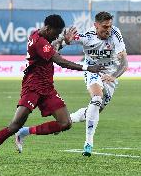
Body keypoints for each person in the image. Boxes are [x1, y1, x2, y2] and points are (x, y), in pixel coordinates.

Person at [0, 14, 104, 166]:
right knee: (14, 125)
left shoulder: (39, 35)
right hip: (33, 88)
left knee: (65, 123)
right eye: (56, 33)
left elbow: (51, 48)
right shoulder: (38, 41)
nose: (56, 36)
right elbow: (59, 60)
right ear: (48, 29)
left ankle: (26, 132)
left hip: (47, 88)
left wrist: (63, 41)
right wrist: (88, 68)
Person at [18, 11, 128, 157]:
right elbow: (56, 47)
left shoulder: (115, 34)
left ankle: (33, 129)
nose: (108, 30)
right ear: (95, 25)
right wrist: (65, 40)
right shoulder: (87, 37)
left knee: (93, 111)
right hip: (92, 71)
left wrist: (114, 76)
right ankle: (88, 144)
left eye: (109, 26)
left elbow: (124, 63)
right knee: (96, 99)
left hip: (110, 75)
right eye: (104, 27)